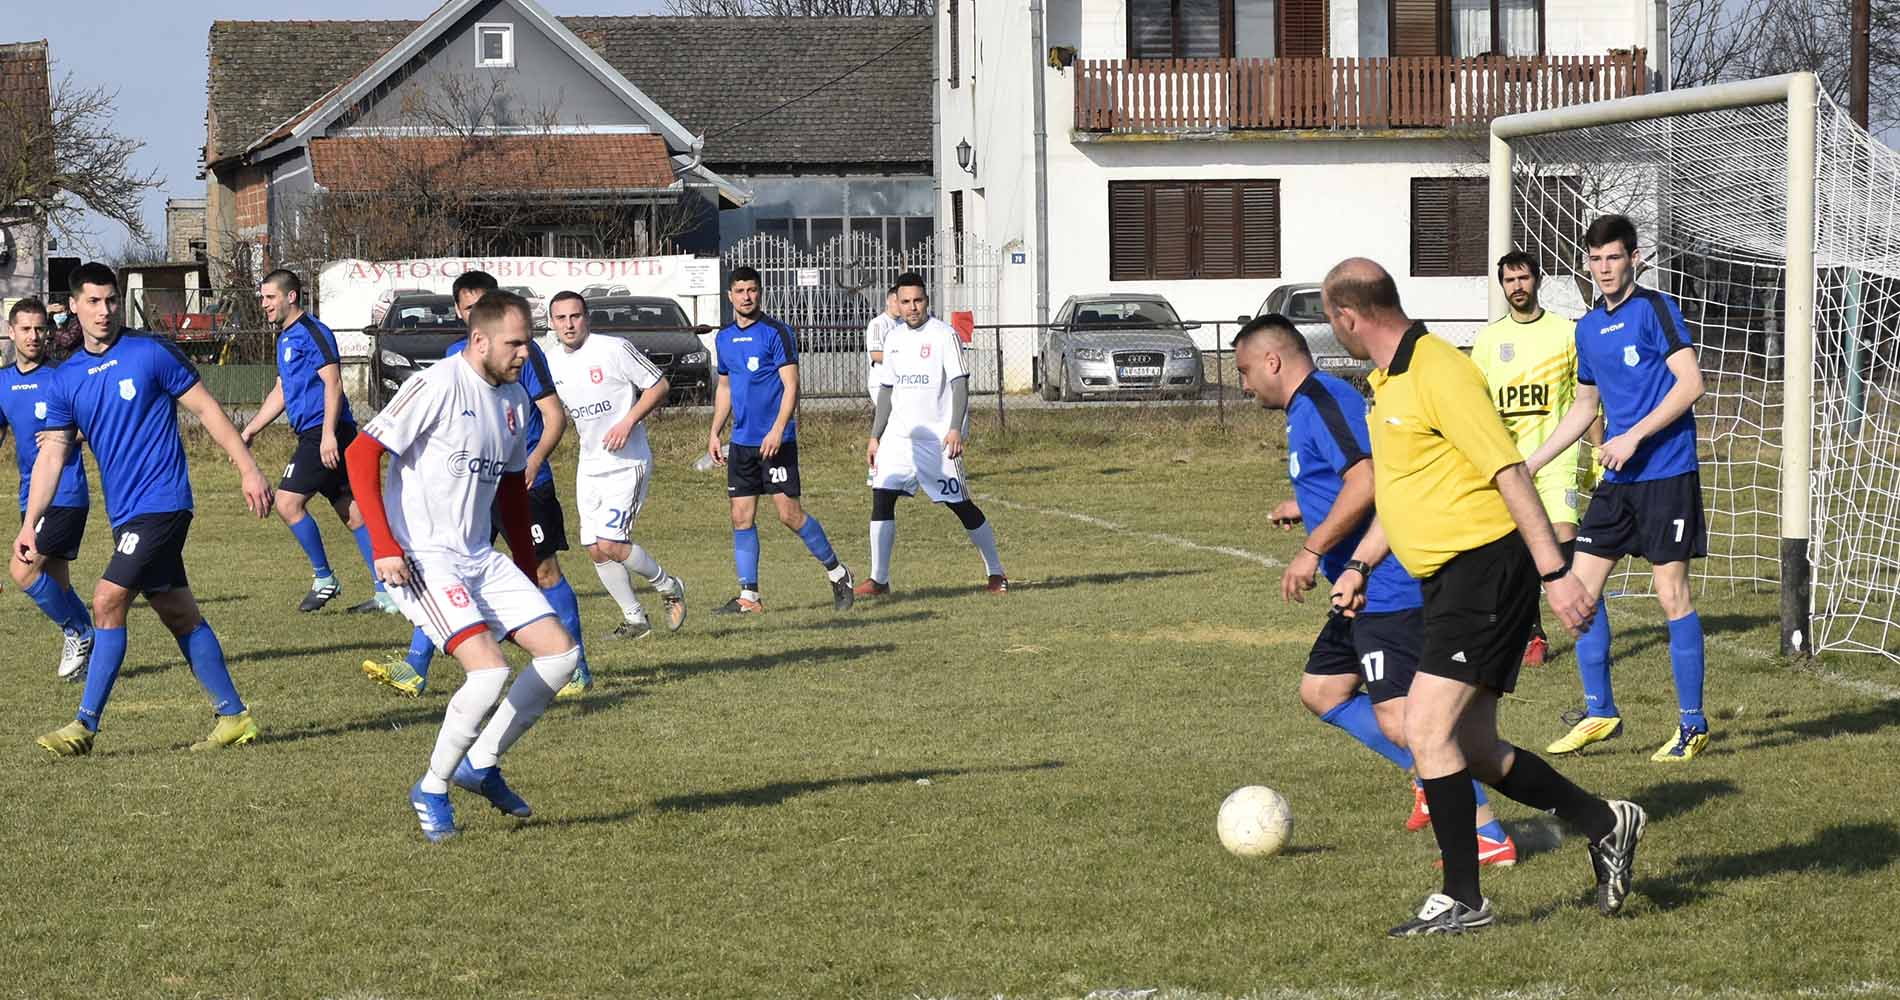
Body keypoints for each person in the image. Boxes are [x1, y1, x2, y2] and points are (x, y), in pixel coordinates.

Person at [1321, 257, 1644, 936]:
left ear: (1348, 316)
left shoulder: (1440, 370)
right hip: (1448, 580)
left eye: (1331, 319)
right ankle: (1605, 822)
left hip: (1486, 569)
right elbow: (1404, 494)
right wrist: (1359, 563)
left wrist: (1556, 574)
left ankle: (1463, 898)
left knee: (1426, 729)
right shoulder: (1387, 381)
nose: (1334, 331)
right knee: (1471, 745)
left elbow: (1509, 472)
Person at [1235, 313, 1515, 866]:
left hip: (1386, 584)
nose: (1243, 384)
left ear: (1273, 361)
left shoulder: (1323, 400)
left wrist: (1313, 549)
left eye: (1245, 371)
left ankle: (1483, 829)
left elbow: (1369, 479)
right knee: (1322, 691)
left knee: (1407, 722)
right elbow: (1344, 480)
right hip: (1356, 586)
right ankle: (1429, 777)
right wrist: (1307, 507)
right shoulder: (1306, 409)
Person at [345, 290, 581, 842]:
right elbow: (361, 453)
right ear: (479, 340)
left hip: (479, 555)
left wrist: (523, 565)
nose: (525, 353)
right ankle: (432, 787)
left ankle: (481, 762)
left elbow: (512, 489)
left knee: (561, 655)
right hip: (423, 557)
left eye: (529, 342)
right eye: (515, 343)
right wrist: (383, 545)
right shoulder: (437, 385)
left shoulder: (516, 399)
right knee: (490, 672)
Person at [20, 262, 272, 756]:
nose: (104, 311)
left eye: (111, 300)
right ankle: (234, 716)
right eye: (93, 302)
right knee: (179, 613)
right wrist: (31, 523)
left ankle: (84, 725)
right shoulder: (65, 378)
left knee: (106, 600)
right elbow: (52, 455)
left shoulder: (150, 352)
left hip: (164, 503)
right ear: (74, 307)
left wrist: (248, 468)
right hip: (126, 513)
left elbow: (207, 409)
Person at [1525, 215, 1712, 762]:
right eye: (1595, 258)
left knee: (1671, 593)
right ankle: (1600, 712)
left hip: (1666, 473)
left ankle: (1692, 724)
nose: (1604, 268)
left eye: (1613, 257)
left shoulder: (1656, 309)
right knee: (1578, 594)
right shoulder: (1586, 329)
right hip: (1618, 481)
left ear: (1634, 259)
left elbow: (1691, 384)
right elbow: (1585, 406)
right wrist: (1530, 463)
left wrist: (1632, 436)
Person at [362, 270, 592, 697]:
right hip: (473, 498)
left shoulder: (521, 358)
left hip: (526, 482)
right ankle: (416, 667)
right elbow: (366, 451)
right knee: (450, 572)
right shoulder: (451, 365)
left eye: (483, 305)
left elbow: (552, 414)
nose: (476, 315)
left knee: (544, 571)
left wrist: (532, 462)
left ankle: (576, 667)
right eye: (468, 309)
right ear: (461, 315)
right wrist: (384, 543)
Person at [1471, 251, 1603, 667]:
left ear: (1538, 280)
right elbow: (1476, 404)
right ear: (1502, 286)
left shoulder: (1566, 333)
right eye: (1509, 280)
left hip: (1556, 458)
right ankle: (1532, 634)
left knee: (1563, 538)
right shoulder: (1489, 341)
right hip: (1509, 464)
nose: (1517, 287)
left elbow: (1587, 401)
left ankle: (1585, 621)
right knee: (1519, 549)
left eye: (1523, 278)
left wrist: (1597, 455)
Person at [705, 265, 855, 614]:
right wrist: (714, 431)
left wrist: (777, 429)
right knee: (741, 517)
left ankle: (838, 572)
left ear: (760, 292)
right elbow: (725, 387)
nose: (746, 297)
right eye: (740, 291)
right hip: (742, 444)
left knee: (789, 514)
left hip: (777, 442)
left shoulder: (777, 332)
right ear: (730, 296)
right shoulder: (724, 338)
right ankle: (749, 598)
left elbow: (791, 385)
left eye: (752, 290)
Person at [239, 269, 388, 613]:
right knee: (351, 510)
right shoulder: (285, 338)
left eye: (270, 297)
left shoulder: (313, 332)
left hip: (325, 432)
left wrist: (327, 436)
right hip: (316, 433)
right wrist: (250, 430)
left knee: (287, 503)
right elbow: (282, 391)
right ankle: (388, 592)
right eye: (262, 298)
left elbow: (333, 383)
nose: (264, 304)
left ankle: (324, 579)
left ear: (291, 296)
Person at [540, 290, 687, 639]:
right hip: (590, 464)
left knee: (611, 543)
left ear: (586, 318)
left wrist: (628, 421)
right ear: (552, 323)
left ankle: (669, 585)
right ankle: (635, 620)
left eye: (575, 316)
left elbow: (658, 385)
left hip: (627, 462)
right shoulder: (550, 361)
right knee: (595, 549)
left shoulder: (613, 349)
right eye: (561, 318)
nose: (569, 324)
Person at [855, 272, 1006, 597]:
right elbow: (886, 390)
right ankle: (879, 580)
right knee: (882, 497)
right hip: (898, 439)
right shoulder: (892, 338)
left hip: (937, 441)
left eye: (918, 301)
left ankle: (996, 572)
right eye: (906, 301)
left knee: (960, 505)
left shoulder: (943, 335)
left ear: (927, 301)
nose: (912, 307)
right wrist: (875, 435)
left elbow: (959, 384)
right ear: (897, 303)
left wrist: (955, 428)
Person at [1, 297, 95, 681]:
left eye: (40, 328)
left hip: (66, 493)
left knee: (22, 571)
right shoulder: (2, 382)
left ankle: (80, 631)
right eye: (26, 329)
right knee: (56, 581)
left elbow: (96, 419)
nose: (34, 336)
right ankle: (90, 653)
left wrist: (69, 435)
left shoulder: (63, 375)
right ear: (11, 332)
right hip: (31, 496)